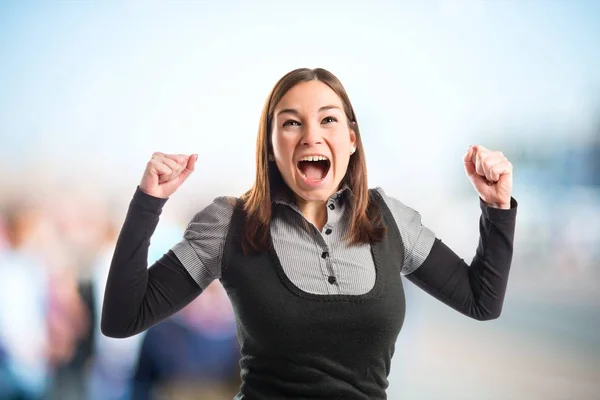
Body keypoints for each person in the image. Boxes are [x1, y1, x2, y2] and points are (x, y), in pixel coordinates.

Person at [101, 67, 518, 399]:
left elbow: (481, 300)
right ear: (269, 145)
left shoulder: (390, 219)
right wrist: (147, 202)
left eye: (328, 120)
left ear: (351, 139)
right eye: (291, 123)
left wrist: (496, 208)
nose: (311, 135)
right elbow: (123, 317)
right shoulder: (229, 224)